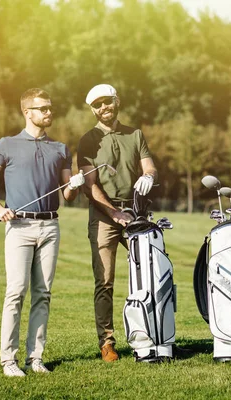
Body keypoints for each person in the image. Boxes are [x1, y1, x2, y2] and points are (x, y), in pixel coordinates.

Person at [0, 88, 85, 377]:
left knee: (43, 294)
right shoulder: (6, 145)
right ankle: (8, 361)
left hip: (50, 226)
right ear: (28, 112)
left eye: (50, 108)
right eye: (43, 108)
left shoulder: (60, 149)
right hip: (19, 227)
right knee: (16, 292)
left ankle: (35, 358)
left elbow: (68, 196)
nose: (49, 112)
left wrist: (74, 183)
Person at [77, 84, 158, 362]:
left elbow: (149, 166)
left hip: (136, 213)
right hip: (104, 217)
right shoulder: (88, 141)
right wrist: (114, 214)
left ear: (116, 101)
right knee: (105, 281)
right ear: (92, 109)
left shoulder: (135, 134)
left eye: (107, 102)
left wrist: (149, 176)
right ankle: (107, 342)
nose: (103, 108)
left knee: (149, 276)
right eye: (97, 105)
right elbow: (90, 185)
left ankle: (150, 336)